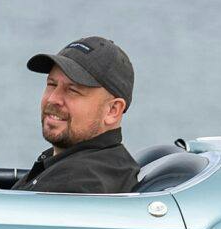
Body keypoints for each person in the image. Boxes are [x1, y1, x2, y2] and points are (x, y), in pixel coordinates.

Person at [15, 36, 141, 194]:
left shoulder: (77, 184)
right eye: (51, 84)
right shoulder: (106, 162)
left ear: (112, 110)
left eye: (72, 90)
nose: (53, 99)